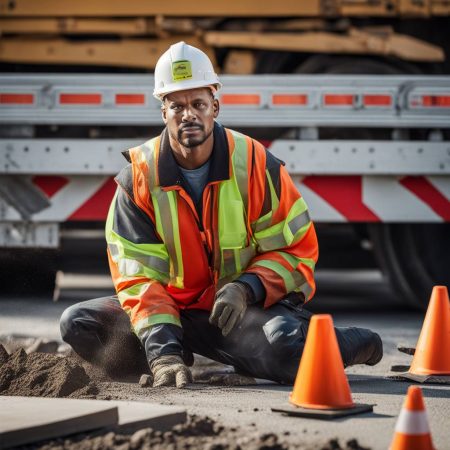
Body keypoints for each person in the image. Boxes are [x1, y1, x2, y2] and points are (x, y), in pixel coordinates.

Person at [60, 42, 382, 388]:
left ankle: (358, 343)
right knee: (77, 323)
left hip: (242, 313)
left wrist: (246, 288)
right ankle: (174, 363)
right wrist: (163, 351)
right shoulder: (139, 178)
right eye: (177, 106)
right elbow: (138, 279)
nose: (189, 115)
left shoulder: (256, 164)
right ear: (162, 112)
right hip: (174, 314)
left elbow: (296, 250)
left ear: (215, 105)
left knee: (288, 352)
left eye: (198, 103)